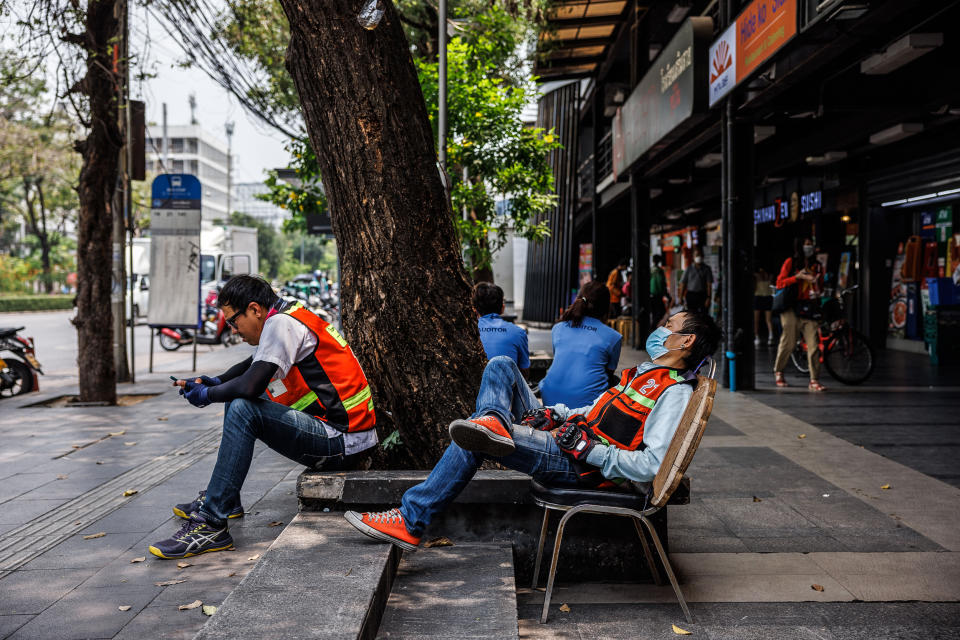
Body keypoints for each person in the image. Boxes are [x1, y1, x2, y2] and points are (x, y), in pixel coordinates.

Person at [343, 311, 721, 551]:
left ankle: (410, 521)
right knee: (503, 365)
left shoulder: (673, 392)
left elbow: (652, 465)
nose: (660, 328)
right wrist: (555, 414)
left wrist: (590, 450)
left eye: (668, 325)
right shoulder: (644, 373)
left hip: (578, 463)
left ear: (685, 340)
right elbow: (594, 411)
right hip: (568, 436)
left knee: (473, 438)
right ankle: (492, 419)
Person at [149, 275, 378, 559]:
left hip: (342, 442)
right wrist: (213, 381)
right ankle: (226, 500)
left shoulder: (281, 324)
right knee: (235, 400)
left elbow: (251, 385)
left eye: (234, 321)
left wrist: (208, 395)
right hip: (345, 436)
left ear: (255, 309)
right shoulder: (289, 315)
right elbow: (253, 364)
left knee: (243, 407)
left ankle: (211, 523)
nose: (233, 330)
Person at [538, 281, 622, 408]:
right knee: (616, 381)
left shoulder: (558, 328)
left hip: (549, 401)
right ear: (606, 307)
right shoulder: (613, 337)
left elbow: (562, 359)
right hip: (585, 408)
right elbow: (608, 374)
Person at [773, 238, 826, 391]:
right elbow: (779, 283)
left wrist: (817, 288)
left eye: (811, 244)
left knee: (814, 344)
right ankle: (779, 371)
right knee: (788, 341)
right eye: (806, 243)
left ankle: (814, 380)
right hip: (790, 307)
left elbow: (820, 286)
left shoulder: (817, 266)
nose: (808, 247)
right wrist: (798, 277)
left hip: (809, 307)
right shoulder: (791, 262)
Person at [678, 247, 713, 313]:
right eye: (697, 255)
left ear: (703, 256)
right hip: (691, 295)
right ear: (693, 257)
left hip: (703, 295)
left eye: (700, 255)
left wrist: (709, 298)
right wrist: (680, 297)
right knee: (692, 315)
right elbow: (683, 283)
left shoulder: (707, 269)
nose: (699, 257)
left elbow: (709, 284)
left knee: (703, 316)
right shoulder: (688, 269)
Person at [754, 267, 775, 346]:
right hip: (762, 297)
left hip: (764, 296)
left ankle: (768, 336)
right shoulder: (758, 275)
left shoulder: (766, 276)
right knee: (760, 319)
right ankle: (759, 336)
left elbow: (772, 286)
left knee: (764, 319)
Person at [650, 254, 673, 328]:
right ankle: (655, 326)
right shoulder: (659, 271)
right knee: (660, 312)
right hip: (657, 296)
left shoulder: (651, 271)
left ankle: (654, 326)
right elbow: (662, 284)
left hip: (653, 296)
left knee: (655, 312)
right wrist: (666, 294)